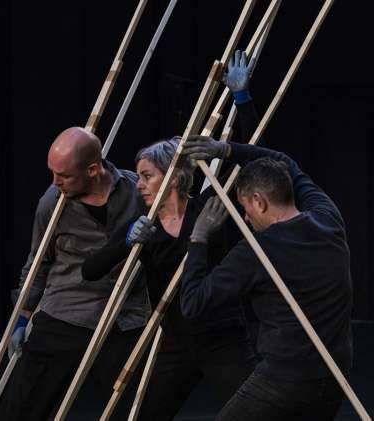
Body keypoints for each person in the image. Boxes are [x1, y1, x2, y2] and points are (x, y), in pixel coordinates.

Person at [81, 50, 258, 420]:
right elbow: (91, 270)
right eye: (139, 177)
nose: (139, 184)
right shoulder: (145, 226)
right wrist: (126, 240)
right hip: (176, 341)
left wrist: (241, 99)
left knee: (256, 413)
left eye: (147, 176)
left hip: (223, 338)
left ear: (175, 177)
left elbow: (253, 159)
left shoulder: (208, 207)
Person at [179, 138, 352, 420]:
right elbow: (287, 163)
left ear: (259, 202)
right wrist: (227, 149)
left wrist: (198, 239)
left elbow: (193, 303)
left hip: (285, 379)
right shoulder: (328, 218)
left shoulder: (257, 250)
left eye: (245, 208)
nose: (246, 219)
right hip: (335, 372)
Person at [0, 127, 151, 420]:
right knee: (20, 408)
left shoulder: (134, 190)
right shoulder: (52, 202)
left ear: (93, 169)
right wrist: (22, 317)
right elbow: (38, 262)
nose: (55, 182)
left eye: (64, 175)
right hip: (66, 310)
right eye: (52, 173)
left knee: (133, 409)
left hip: (122, 315)